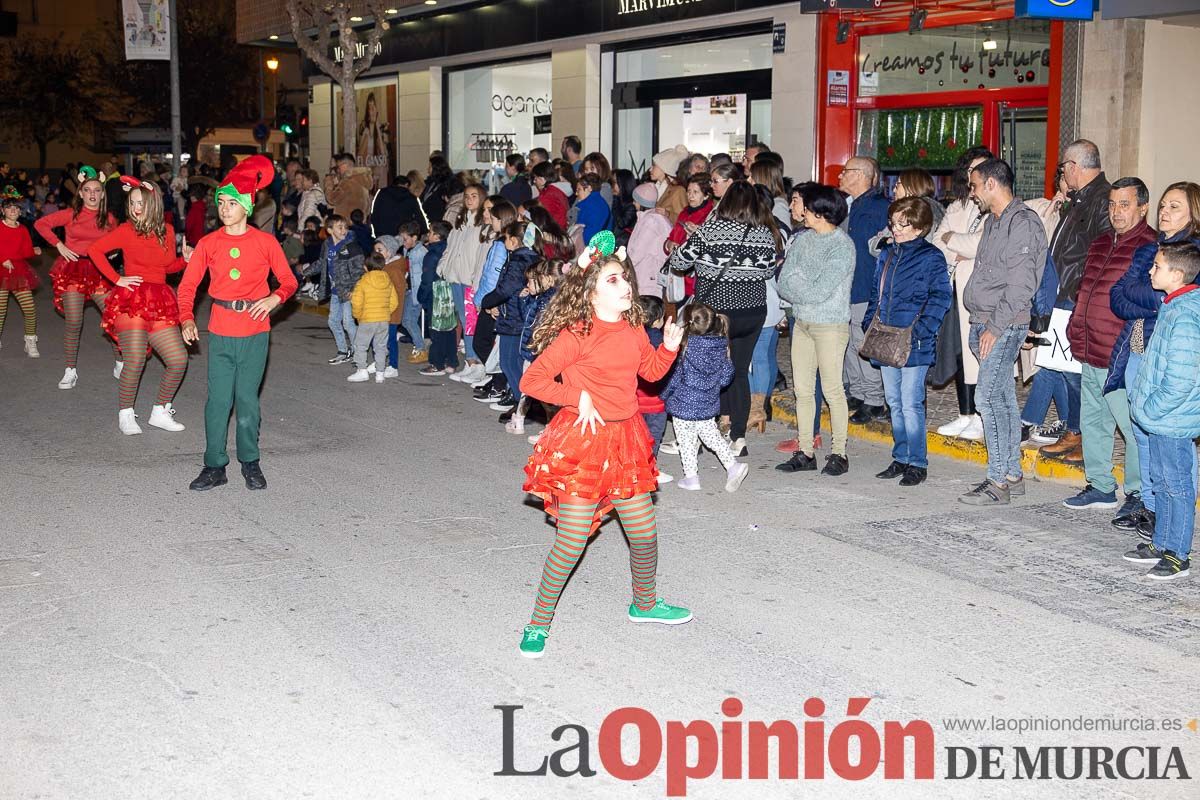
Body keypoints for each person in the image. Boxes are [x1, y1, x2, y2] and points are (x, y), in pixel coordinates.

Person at [516, 241, 687, 659]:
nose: (625, 285)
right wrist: (578, 396)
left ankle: (644, 604)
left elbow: (649, 374)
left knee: (645, 535)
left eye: (624, 278)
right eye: (613, 280)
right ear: (592, 292)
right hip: (584, 443)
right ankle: (537, 624)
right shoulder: (577, 334)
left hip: (625, 440)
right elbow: (532, 381)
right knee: (572, 541)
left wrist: (667, 345)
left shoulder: (632, 329)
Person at [177, 155, 298, 492]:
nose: (225, 208)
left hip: (255, 332)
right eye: (222, 202)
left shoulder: (265, 242)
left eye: (232, 202)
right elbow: (187, 287)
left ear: (247, 205)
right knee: (218, 401)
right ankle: (214, 465)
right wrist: (186, 318)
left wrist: (275, 298)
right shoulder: (208, 243)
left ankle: (250, 461)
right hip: (220, 330)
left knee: (247, 400)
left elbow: (289, 281)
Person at [1107, 181, 1200, 539]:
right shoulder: (1150, 251)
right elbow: (1119, 296)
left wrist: (1152, 298)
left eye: (1174, 206)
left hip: (1168, 355)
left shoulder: (1192, 255)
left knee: (1172, 441)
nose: (1164, 212)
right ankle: (1150, 506)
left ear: (1193, 211)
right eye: (1163, 205)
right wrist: (1153, 297)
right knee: (1143, 434)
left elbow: (1170, 301)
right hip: (1138, 348)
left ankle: (1174, 521)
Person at [1059, 177, 1156, 517]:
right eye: (1112, 204)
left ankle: (1138, 494)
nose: (1116, 211)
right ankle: (1100, 485)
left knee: (1131, 428)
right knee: (1094, 422)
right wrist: (1075, 326)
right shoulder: (1101, 242)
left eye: (1125, 204)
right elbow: (1086, 287)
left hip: (1120, 354)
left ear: (1142, 207)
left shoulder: (1150, 246)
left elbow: (1146, 304)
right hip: (1089, 346)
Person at [958, 159, 1047, 506]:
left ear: (993, 184)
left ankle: (997, 482)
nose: (972, 191)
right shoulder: (995, 221)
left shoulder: (1021, 223)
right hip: (986, 321)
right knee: (1003, 400)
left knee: (986, 400)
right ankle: (1011, 472)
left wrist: (995, 327)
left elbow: (1021, 285)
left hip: (1003, 324)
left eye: (975, 184)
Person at [667, 181, 777, 457]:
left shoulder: (710, 231)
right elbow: (766, 273)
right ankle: (738, 437)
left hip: (715, 315)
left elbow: (679, 263)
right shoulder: (764, 234)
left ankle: (697, 434)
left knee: (703, 371)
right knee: (739, 372)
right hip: (752, 313)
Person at [86, 177, 190, 435]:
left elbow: (165, 268)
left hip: (159, 299)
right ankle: (126, 413)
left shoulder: (166, 230)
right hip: (130, 298)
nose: (135, 207)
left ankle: (160, 411)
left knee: (178, 360)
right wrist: (117, 278)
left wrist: (185, 260)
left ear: (152, 202)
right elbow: (95, 251)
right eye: (132, 203)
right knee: (134, 360)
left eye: (140, 202)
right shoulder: (124, 230)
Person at [864, 197, 953, 486]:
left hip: (914, 340)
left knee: (911, 402)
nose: (896, 228)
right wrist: (869, 323)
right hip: (887, 337)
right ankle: (901, 456)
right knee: (893, 401)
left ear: (919, 227)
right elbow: (876, 294)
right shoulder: (887, 254)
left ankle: (918, 462)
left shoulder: (931, 257)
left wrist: (922, 330)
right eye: (894, 222)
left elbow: (941, 296)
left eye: (904, 223)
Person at [1124, 242, 1200, 581]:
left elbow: (1180, 378)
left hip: (1172, 419)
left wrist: (1151, 408)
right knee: (1161, 481)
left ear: (1177, 274)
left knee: (1177, 485)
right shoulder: (1173, 305)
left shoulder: (1185, 316)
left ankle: (1177, 554)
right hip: (1161, 419)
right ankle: (1162, 541)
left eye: (1157, 266)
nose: (1151, 271)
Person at [1038, 139, 1113, 464]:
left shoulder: (1102, 198)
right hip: (1065, 295)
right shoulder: (1080, 198)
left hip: (1077, 297)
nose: (1062, 173)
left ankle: (1087, 435)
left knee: (1078, 372)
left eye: (1063, 167)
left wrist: (1081, 294)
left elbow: (1101, 253)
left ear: (1073, 167)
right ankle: (1076, 429)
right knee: (1067, 369)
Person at [776, 185, 855, 476]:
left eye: (807, 208)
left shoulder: (842, 245)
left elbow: (822, 290)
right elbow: (784, 281)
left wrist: (800, 283)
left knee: (833, 391)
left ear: (821, 213)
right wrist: (802, 284)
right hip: (804, 324)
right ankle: (806, 451)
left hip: (830, 325)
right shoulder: (803, 239)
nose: (802, 212)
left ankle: (839, 453)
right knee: (803, 391)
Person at [34, 165, 119, 389]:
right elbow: (40, 224)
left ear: (102, 194)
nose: (92, 194)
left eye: (97, 190)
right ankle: (70, 370)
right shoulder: (70, 214)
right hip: (73, 271)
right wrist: (59, 245)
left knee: (114, 317)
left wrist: (114, 251)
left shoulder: (109, 218)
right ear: (80, 193)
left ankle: (120, 361)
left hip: (99, 272)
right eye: (88, 190)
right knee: (74, 322)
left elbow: (119, 240)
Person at [932, 147, 994, 441]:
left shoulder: (996, 207)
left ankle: (982, 417)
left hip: (980, 293)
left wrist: (953, 242)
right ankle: (966, 413)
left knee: (978, 355)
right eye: (972, 169)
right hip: (953, 288)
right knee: (957, 353)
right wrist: (956, 245)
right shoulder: (957, 206)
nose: (976, 175)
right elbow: (936, 242)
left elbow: (979, 245)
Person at [661, 303, 749, 492]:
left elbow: (675, 377)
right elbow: (727, 375)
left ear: (688, 323)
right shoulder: (720, 345)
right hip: (708, 402)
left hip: (684, 402)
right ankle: (733, 466)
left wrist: (664, 394)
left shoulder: (685, 347)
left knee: (686, 441)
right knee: (712, 436)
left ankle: (691, 477)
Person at [838, 157, 891, 424]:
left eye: (845, 172)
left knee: (863, 344)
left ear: (861, 175)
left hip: (866, 288)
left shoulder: (882, 207)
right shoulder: (848, 206)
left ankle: (874, 400)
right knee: (849, 344)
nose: (840, 176)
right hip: (846, 288)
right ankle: (858, 393)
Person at [482, 220, 541, 415]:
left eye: (507, 237)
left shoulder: (518, 261)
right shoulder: (530, 257)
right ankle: (521, 402)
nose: (504, 240)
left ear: (514, 241)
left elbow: (506, 289)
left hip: (514, 317)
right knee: (514, 362)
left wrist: (487, 301)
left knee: (509, 362)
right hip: (517, 315)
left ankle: (522, 404)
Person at [436, 184, 488, 380]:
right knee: (464, 320)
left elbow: (481, 255)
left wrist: (477, 277)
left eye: (474, 196)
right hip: (455, 278)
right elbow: (449, 248)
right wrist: (442, 267)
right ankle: (470, 361)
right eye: (467, 196)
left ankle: (476, 361)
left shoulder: (483, 225)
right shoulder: (460, 223)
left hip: (469, 280)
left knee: (470, 321)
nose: (469, 199)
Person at [308, 215, 365, 365]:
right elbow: (322, 263)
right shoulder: (327, 245)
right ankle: (342, 350)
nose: (344, 230)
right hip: (335, 291)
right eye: (340, 227)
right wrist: (304, 272)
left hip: (347, 291)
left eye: (345, 227)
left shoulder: (352, 247)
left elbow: (359, 270)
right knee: (333, 321)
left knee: (348, 323)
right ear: (329, 230)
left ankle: (357, 352)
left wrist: (354, 289)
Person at [0, 186, 41, 357]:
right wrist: (2, 259)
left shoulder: (23, 229)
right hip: (1, 273)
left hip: (19, 272)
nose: (13, 210)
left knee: (30, 309)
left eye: (16, 208)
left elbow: (25, 252)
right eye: (9, 207)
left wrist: (34, 251)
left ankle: (30, 341)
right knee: (0, 311)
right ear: (2, 210)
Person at [347, 252, 399, 383]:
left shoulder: (363, 281)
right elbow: (394, 301)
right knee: (381, 347)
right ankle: (380, 373)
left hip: (367, 319)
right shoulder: (388, 280)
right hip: (383, 320)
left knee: (360, 345)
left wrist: (358, 316)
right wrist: (385, 312)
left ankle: (362, 371)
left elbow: (356, 302)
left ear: (365, 267)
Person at [635, 295, 670, 475]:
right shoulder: (661, 341)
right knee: (653, 437)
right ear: (657, 320)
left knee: (634, 436)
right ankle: (648, 469)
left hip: (634, 400)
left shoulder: (632, 337)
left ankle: (633, 466)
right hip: (657, 402)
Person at [418, 221, 457, 376]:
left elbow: (427, 278)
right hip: (448, 292)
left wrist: (422, 295)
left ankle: (437, 363)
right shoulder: (450, 250)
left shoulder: (432, 254)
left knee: (436, 330)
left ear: (437, 235)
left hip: (435, 293)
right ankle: (451, 361)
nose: (428, 234)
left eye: (431, 232)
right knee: (449, 328)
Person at [626, 183, 672, 300]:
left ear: (642, 203)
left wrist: (626, 266)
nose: (633, 203)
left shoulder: (650, 222)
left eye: (635, 200)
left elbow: (638, 252)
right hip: (650, 275)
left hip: (648, 276)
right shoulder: (652, 218)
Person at [372, 235, 407, 374]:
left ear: (390, 252)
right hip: (382, 310)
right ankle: (379, 362)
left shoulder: (393, 269)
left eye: (380, 250)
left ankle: (393, 366)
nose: (376, 253)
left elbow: (399, 292)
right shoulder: (385, 267)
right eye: (375, 250)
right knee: (380, 338)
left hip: (391, 312)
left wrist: (392, 310)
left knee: (391, 340)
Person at [397, 221, 427, 365]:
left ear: (414, 238)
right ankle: (419, 346)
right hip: (409, 290)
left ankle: (421, 348)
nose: (403, 242)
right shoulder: (407, 250)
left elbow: (424, 274)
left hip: (417, 291)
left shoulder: (421, 252)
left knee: (409, 320)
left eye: (405, 239)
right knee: (407, 320)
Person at [370, 173, 427, 239]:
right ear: (406, 185)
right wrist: (424, 232)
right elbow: (419, 218)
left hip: (383, 235)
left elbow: (374, 215)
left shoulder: (381, 193)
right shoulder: (411, 198)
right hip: (402, 237)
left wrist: (377, 232)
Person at [323, 153, 373, 219]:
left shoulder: (348, 182)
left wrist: (329, 183)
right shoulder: (361, 179)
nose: (338, 170)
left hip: (346, 222)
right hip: (359, 222)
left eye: (338, 166)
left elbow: (332, 199)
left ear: (344, 165)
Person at [651, 145, 689, 223]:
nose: (650, 169)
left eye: (654, 165)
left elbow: (684, 219)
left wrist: (668, 214)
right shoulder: (654, 188)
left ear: (664, 169)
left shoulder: (678, 191)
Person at [530, 161, 569, 230]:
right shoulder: (555, 190)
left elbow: (540, 217)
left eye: (536, 178)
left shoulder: (549, 195)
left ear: (543, 179)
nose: (534, 181)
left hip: (553, 232)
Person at [574, 174, 611, 243]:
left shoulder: (593, 207)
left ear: (589, 188)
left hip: (592, 250)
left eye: (579, 189)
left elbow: (588, 237)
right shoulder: (595, 204)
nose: (576, 193)